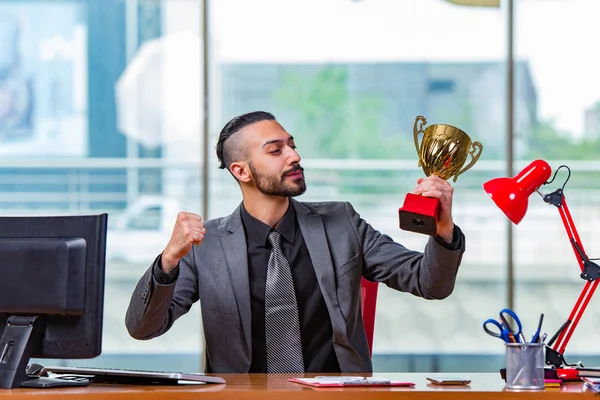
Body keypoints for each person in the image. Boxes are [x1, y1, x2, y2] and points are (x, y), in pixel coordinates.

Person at [125, 111, 466, 374]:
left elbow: (430, 283)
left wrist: (443, 228)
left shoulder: (341, 223)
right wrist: (168, 259)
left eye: (292, 145)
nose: (294, 156)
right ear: (241, 171)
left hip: (336, 395)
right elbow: (143, 328)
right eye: (276, 150)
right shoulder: (207, 245)